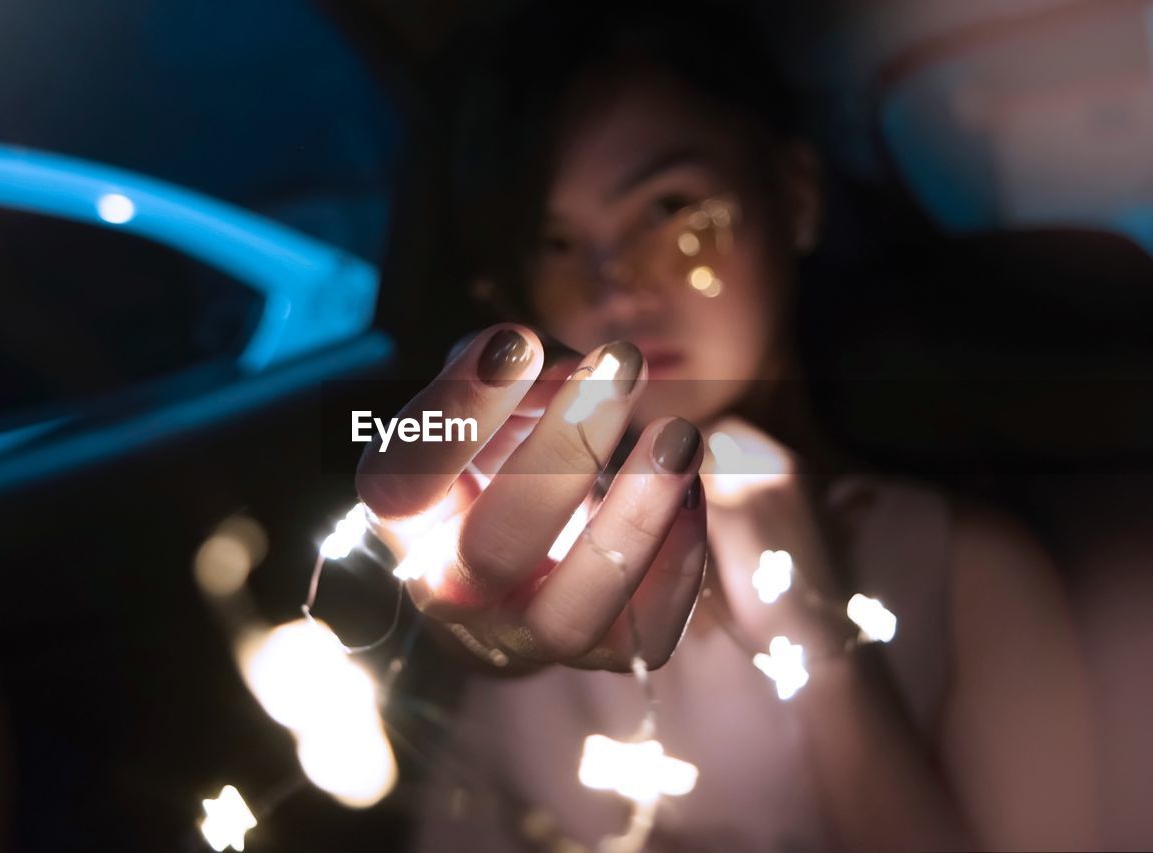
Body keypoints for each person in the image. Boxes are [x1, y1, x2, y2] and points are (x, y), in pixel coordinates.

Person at [357, 2, 1095, 850]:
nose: (616, 288)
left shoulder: (967, 572)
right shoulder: (509, 565)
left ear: (795, 195)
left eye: (667, 210)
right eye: (556, 243)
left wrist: (820, 647)